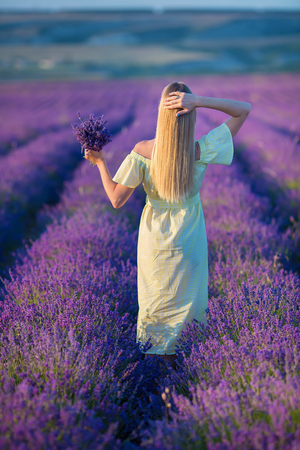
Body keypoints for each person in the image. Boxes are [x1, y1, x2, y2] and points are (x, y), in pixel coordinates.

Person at [85, 81, 251, 371]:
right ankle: (185, 375)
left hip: (155, 240)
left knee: (155, 301)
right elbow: (243, 110)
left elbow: (116, 199)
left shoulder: (142, 151)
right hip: (189, 238)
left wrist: (100, 162)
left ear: (161, 111)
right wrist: (197, 100)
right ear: (190, 114)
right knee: (188, 303)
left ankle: (152, 375)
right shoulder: (200, 150)